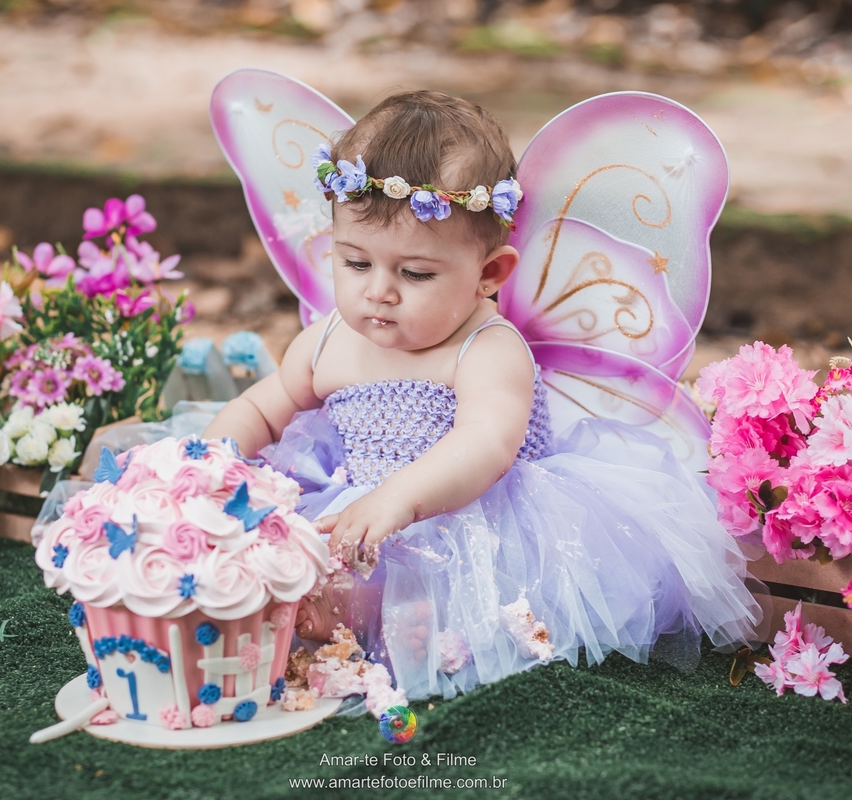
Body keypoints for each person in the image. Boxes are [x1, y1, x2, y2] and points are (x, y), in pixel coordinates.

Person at [202, 89, 760, 701]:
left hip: (466, 519)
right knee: (279, 541)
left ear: (489, 275)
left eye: (415, 274)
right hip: (358, 505)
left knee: (413, 579)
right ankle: (317, 614)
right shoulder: (327, 339)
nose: (378, 292)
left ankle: (383, 624)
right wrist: (209, 458)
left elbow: (486, 443)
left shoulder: (488, 349)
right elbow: (262, 405)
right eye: (355, 263)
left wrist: (402, 498)